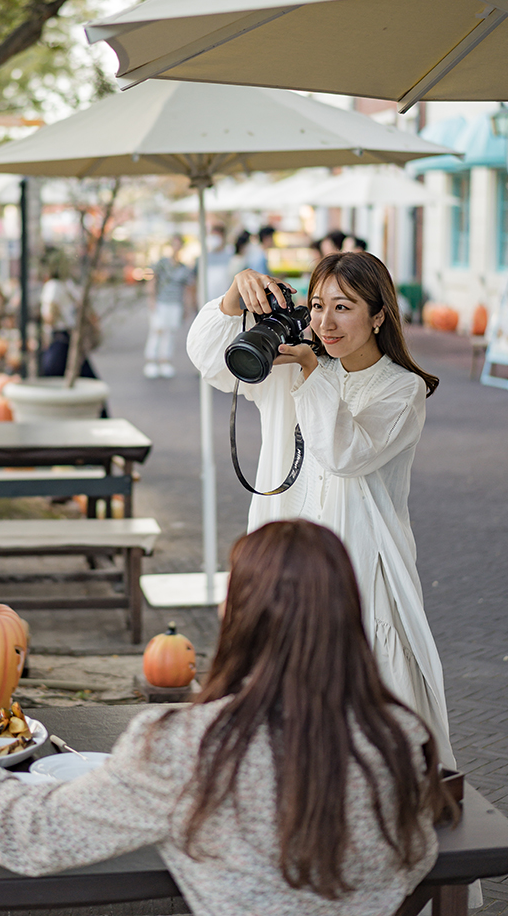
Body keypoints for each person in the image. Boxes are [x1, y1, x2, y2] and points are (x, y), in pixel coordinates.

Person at [0, 519, 449, 916]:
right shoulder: (398, 737)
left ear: (239, 617)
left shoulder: (189, 746)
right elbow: (412, 858)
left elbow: (39, 834)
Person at [187, 252, 454, 764]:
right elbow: (208, 361)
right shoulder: (289, 368)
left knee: (361, 716)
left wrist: (311, 369)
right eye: (315, 306)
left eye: (343, 307)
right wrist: (232, 297)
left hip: (360, 568)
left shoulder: (403, 390)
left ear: (378, 315)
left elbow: (344, 453)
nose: (324, 323)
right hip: (285, 563)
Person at [40, 254, 100, 380]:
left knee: (51, 376)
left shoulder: (53, 287)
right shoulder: (68, 285)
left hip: (59, 337)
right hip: (72, 335)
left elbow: (49, 316)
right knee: (84, 376)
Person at [144, 234, 194, 379]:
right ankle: (151, 360)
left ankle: (164, 360)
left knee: (170, 332)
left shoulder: (184, 268)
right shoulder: (162, 263)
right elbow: (153, 281)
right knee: (157, 330)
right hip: (161, 301)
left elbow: (187, 288)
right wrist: (151, 300)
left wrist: (187, 307)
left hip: (175, 303)